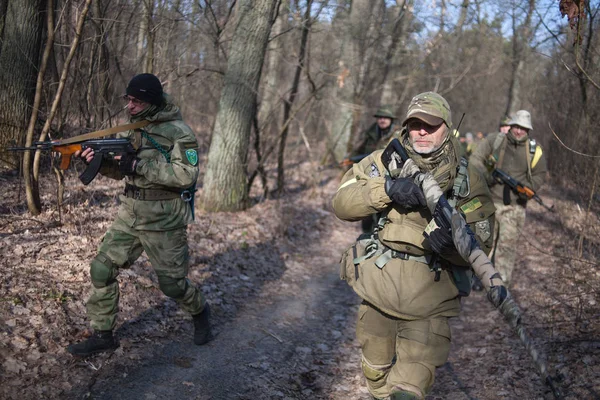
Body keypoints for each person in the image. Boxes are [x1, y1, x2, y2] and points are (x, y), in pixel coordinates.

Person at [333, 92, 499, 399]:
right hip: (377, 288)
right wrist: (387, 189)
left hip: (430, 298)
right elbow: (342, 203)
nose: (422, 131)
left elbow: (483, 244)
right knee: (374, 371)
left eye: (431, 125)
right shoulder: (384, 161)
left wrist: (450, 246)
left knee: (407, 391)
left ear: (448, 128)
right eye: (415, 124)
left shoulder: (468, 179)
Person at [67, 73, 212, 356]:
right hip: (130, 215)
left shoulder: (179, 132)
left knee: (172, 286)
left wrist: (140, 167)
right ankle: (103, 334)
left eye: (137, 101)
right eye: (128, 99)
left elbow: (186, 175)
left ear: (152, 102)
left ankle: (201, 311)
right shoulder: (132, 129)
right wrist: (93, 160)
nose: (130, 106)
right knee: (102, 269)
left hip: (165, 219)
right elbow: (118, 169)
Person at [470, 110, 547, 285]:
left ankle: (500, 283)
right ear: (511, 126)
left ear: (529, 130)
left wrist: (529, 187)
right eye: (516, 127)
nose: (519, 131)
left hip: (515, 207)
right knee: (483, 242)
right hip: (488, 202)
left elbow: (540, 174)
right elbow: (476, 160)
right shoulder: (495, 140)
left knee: (507, 246)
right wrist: (487, 176)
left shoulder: (534, 150)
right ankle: (478, 277)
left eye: (523, 128)